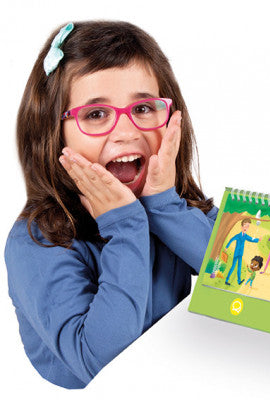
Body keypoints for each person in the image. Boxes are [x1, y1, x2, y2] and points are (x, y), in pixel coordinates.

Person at [4, 21, 217, 389]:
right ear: (52, 134)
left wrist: (165, 207)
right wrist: (125, 226)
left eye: (144, 107)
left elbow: (245, 276)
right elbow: (105, 366)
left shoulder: (167, 200)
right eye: (95, 114)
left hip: (173, 374)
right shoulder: (36, 242)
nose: (126, 132)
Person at [224, 218, 261, 285]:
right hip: (236, 254)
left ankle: (239, 281)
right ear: (241, 226)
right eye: (245, 225)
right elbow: (231, 240)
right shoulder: (238, 236)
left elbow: (251, 239)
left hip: (240, 254)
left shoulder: (246, 236)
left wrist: (258, 240)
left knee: (239, 267)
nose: (246, 227)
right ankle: (227, 280)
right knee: (233, 267)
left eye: (248, 226)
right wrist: (227, 247)